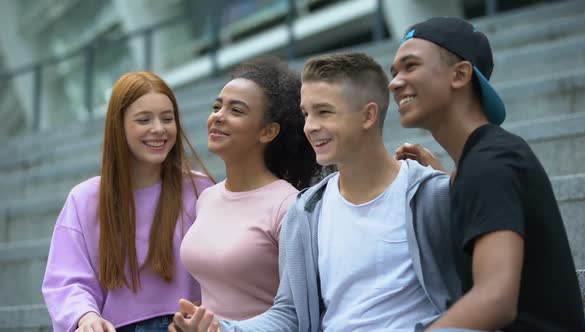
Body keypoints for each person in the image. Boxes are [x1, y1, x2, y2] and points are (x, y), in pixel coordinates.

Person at [170, 52, 461, 332]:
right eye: (306, 114)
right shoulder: (306, 210)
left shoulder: (431, 194)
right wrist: (222, 329)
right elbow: (290, 314)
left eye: (324, 112)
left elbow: (475, 291)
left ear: (368, 115)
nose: (310, 126)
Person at [389, 17, 585, 331]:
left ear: (460, 75)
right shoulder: (479, 161)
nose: (395, 82)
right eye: (394, 72)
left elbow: (495, 299)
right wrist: (447, 175)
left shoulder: (492, 162)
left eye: (410, 66)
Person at [42, 71, 215, 332]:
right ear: (118, 125)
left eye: (167, 119)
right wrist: (86, 317)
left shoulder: (201, 189)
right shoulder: (84, 198)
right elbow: (67, 280)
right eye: (144, 119)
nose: (159, 129)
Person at [177, 56, 322, 322]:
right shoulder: (207, 198)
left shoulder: (288, 205)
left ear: (267, 132)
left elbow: (299, 310)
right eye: (217, 107)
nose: (218, 117)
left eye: (236, 110)